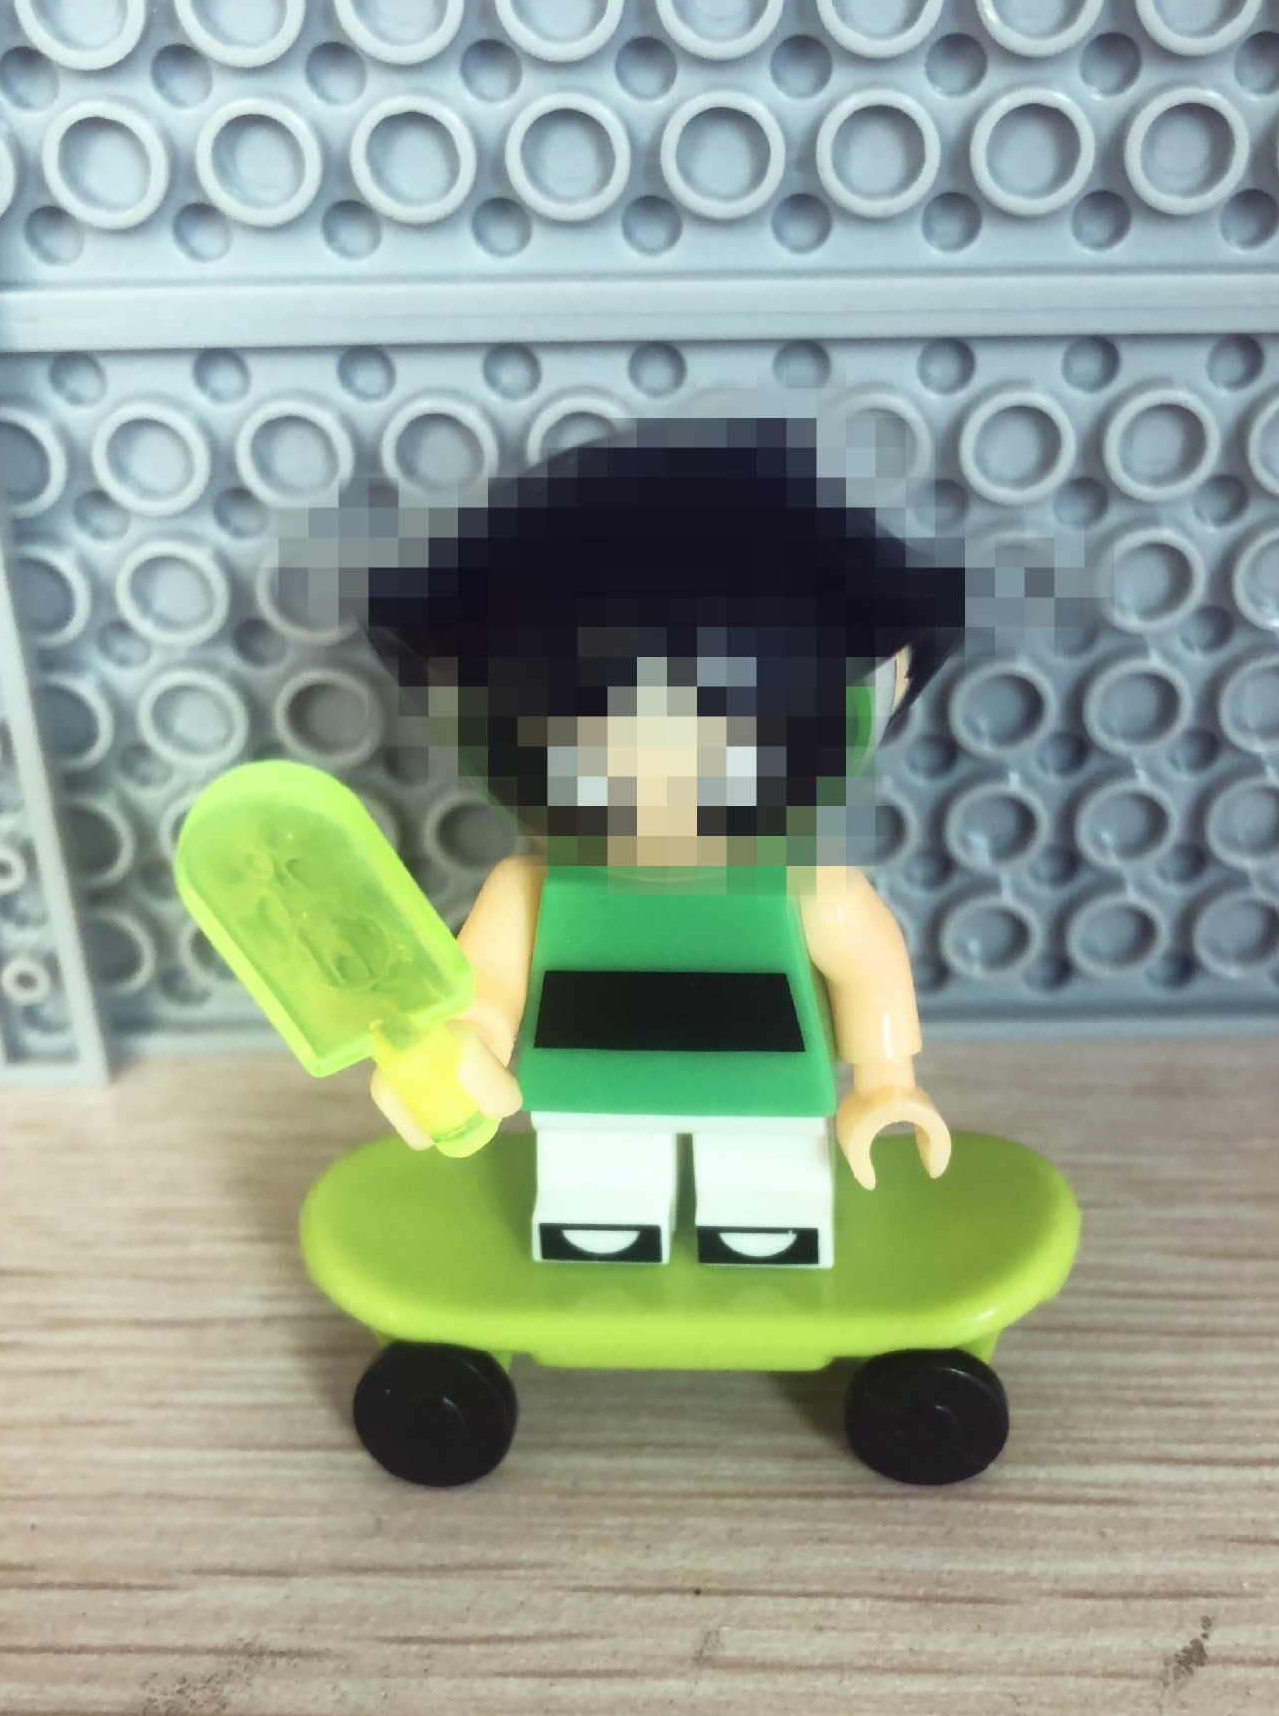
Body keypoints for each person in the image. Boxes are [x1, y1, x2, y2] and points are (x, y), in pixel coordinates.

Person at [362, 416, 966, 1269]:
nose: (661, 802)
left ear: (892, 681)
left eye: (746, 748)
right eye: (576, 758)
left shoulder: (810, 885)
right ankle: (602, 1231)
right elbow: (485, 988)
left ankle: (763, 1231)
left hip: (765, 1091)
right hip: (587, 1086)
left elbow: (866, 971)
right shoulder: (527, 889)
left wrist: (887, 1085)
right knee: (597, 1200)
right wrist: (459, 1049)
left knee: (766, 1203)